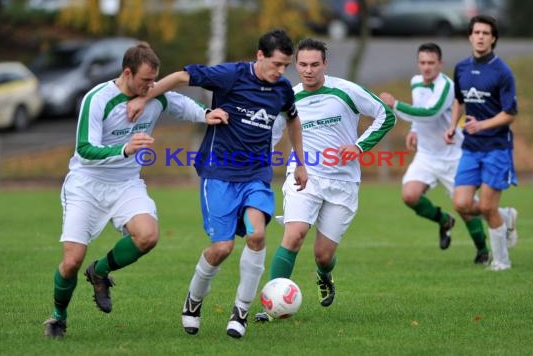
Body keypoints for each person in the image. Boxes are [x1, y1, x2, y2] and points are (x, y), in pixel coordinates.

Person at [127, 29, 308, 338]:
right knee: (221, 248)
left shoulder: (281, 90)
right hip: (219, 175)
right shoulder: (231, 75)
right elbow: (182, 77)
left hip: (256, 175)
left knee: (257, 235)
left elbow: (292, 118)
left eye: (285, 67)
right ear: (260, 55)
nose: (281, 72)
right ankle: (193, 301)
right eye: (276, 64)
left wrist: (301, 163)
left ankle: (241, 312)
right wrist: (144, 97)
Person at [43, 42, 228, 339]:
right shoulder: (98, 99)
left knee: (147, 235)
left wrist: (207, 114)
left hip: (126, 184)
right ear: (127, 73)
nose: (151, 86)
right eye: (145, 80)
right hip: (86, 185)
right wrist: (126, 148)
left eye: (154, 80)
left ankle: (100, 271)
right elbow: (85, 149)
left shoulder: (155, 96)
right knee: (70, 262)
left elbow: (182, 105)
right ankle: (58, 317)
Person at [255, 37, 396, 321]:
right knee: (293, 236)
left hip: (342, 183)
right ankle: (270, 307)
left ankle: (324, 275)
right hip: (304, 175)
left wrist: (358, 146)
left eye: (314, 65)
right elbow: (271, 135)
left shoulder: (345, 90)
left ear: (325, 64)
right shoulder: (289, 96)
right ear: (295, 64)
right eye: (303, 64)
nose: (308, 70)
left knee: (323, 254)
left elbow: (386, 115)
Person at [379, 42, 494, 263]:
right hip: (426, 155)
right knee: (409, 196)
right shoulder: (415, 82)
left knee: (466, 207)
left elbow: (431, 112)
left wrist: (395, 104)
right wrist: (413, 130)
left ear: (440, 64)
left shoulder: (446, 86)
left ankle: (483, 248)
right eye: (422, 62)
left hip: (453, 156)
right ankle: (444, 221)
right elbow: (420, 108)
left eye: (431, 63)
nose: (426, 67)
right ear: (417, 63)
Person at [444, 15, 518, 271]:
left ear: (493, 39)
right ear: (470, 36)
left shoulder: (502, 71)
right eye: (476, 32)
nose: (480, 36)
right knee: (461, 203)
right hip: (471, 148)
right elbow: (459, 101)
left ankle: (502, 261)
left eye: (486, 33)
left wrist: (481, 125)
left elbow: (510, 112)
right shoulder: (462, 68)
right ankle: (506, 215)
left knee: (487, 206)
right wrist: (453, 126)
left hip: (497, 147)